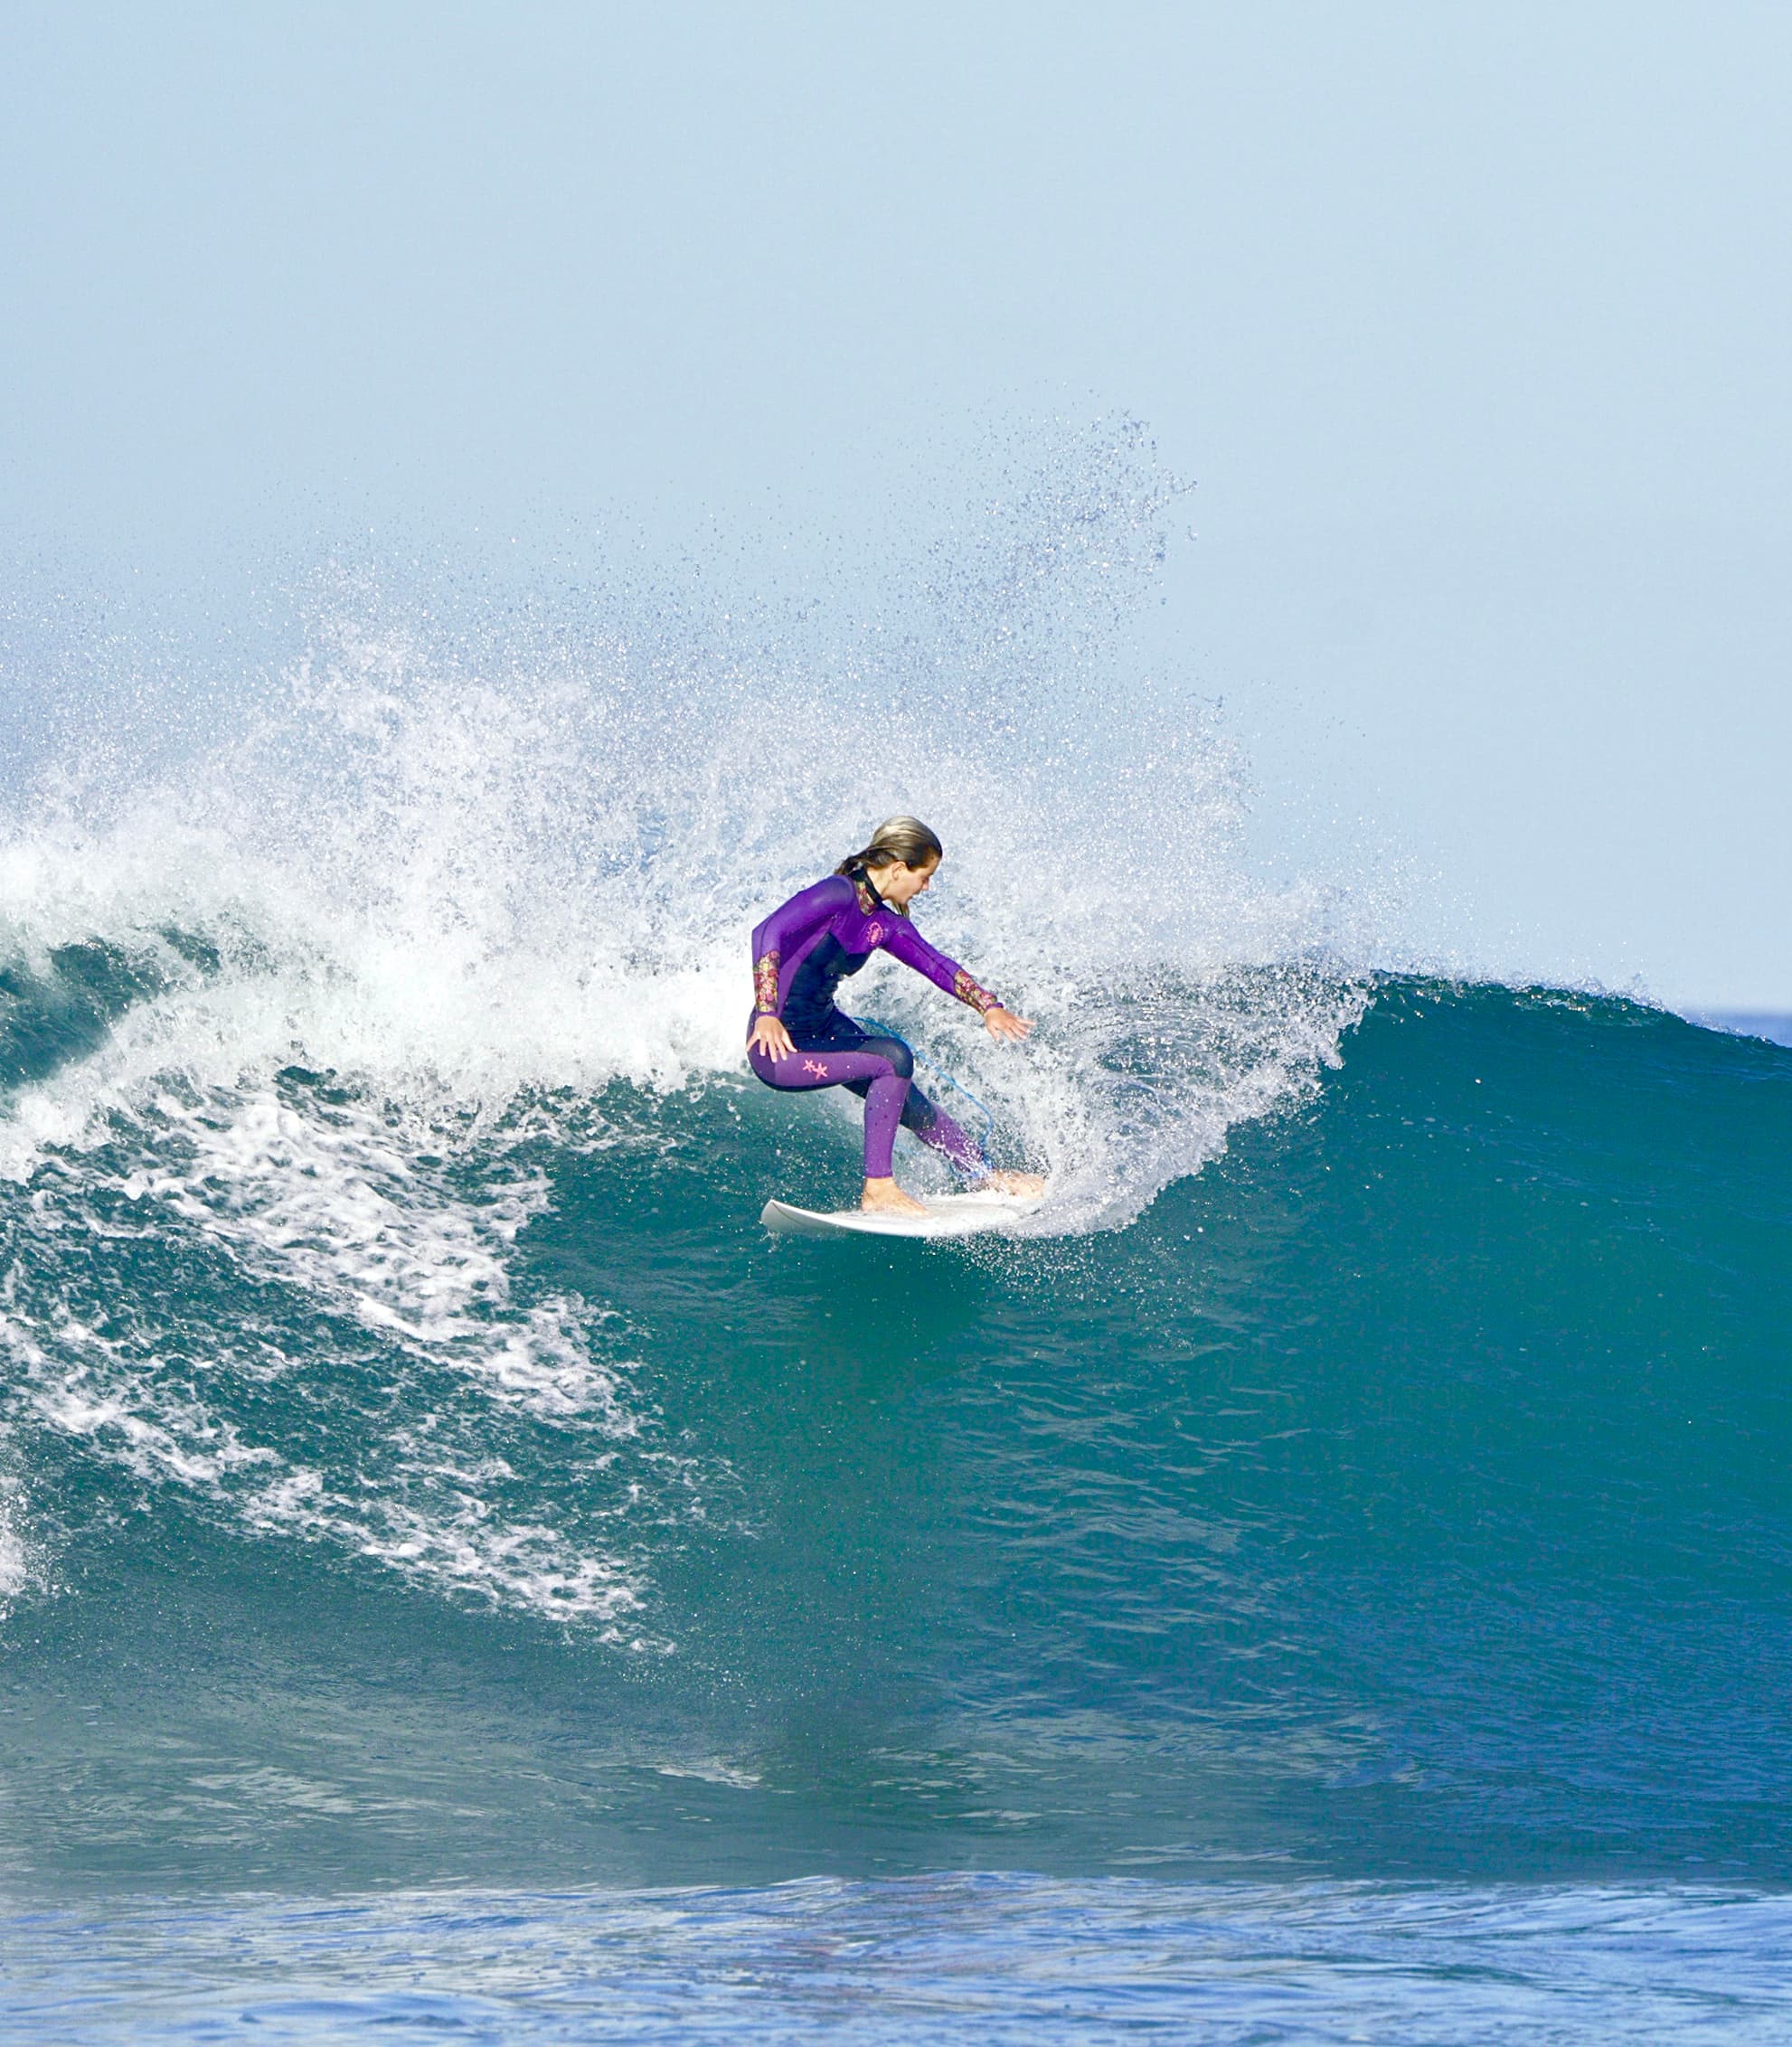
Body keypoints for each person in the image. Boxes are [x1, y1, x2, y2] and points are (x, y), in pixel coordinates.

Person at [747, 816, 1045, 1216]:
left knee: (913, 1102)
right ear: (899, 868)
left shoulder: (883, 924)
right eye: (925, 877)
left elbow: (935, 963)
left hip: (823, 1028)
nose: (926, 887)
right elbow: (767, 931)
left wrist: (988, 1005)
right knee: (893, 1058)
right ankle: (878, 1189)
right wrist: (767, 1012)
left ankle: (982, 1174)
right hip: (778, 1046)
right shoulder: (837, 894)